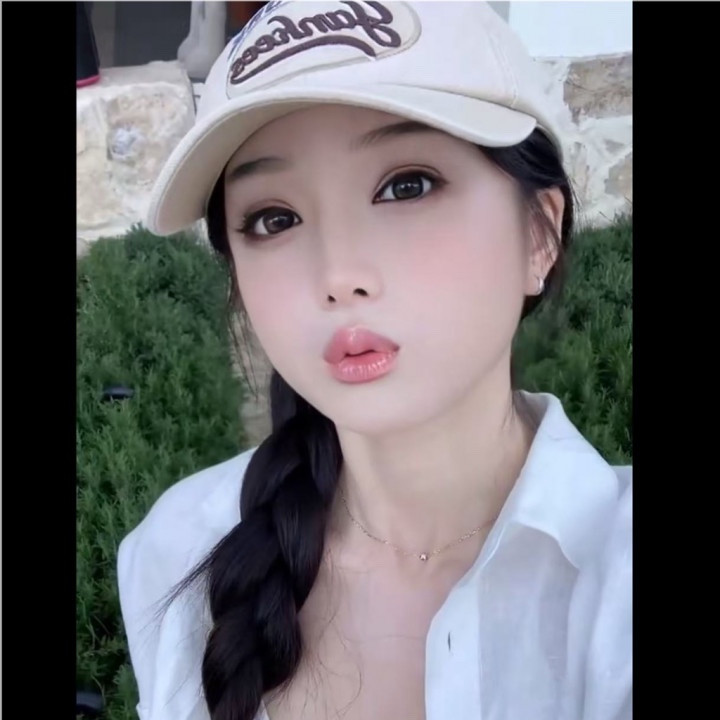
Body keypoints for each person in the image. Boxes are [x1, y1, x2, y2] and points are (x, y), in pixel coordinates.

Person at [117, 2, 632, 719]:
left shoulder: (616, 580)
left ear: (539, 234)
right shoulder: (176, 549)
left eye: (407, 185)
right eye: (274, 219)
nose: (338, 275)